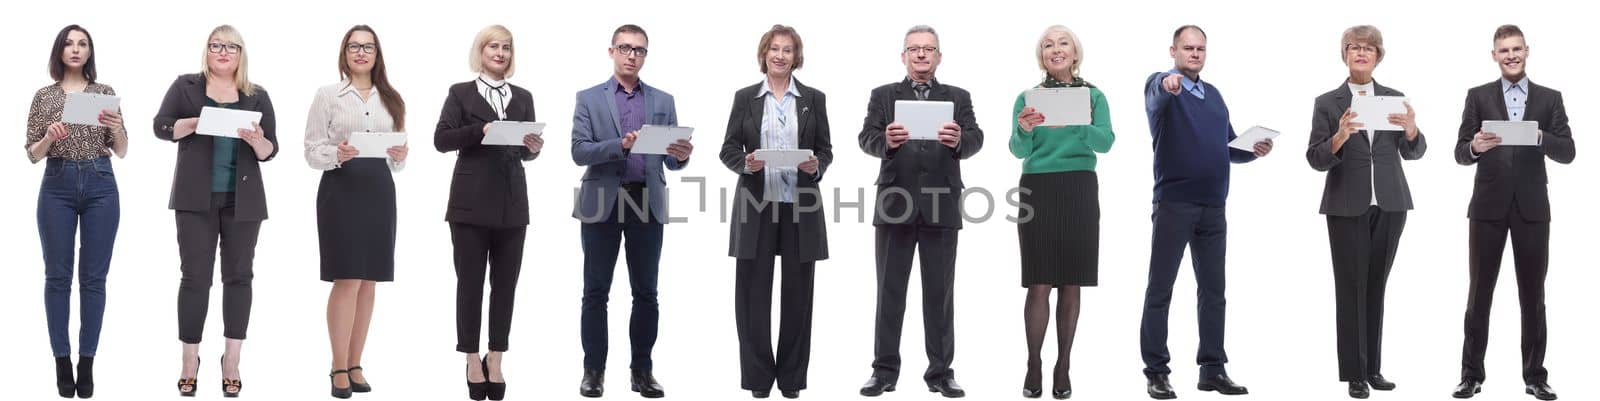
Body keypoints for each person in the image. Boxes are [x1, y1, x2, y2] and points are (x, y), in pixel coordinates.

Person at [1137, 25, 1271, 400]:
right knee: (1160, 289)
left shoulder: (1213, 95)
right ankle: (1156, 372)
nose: (1195, 54)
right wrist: (1168, 83)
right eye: (1188, 48)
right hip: (1174, 204)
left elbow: (1227, 144)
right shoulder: (1161, 85)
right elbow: (1156, 93)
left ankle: (1212, 368)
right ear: (1173, 51)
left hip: (1214, 206)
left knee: (1214, 291)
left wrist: (1252, 149)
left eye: (1200, 49)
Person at [856, 24, 983, 399]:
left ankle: (942, 373)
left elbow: (976, 137)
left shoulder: (958, 96)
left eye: (929, 49)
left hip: (941, 206)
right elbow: (866, 137)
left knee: (939, 294)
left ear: (939, 56)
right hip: (895, 205)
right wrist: (886, 143)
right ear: (904, 56)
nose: (922, 55)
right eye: (914, 49)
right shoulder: (883, 95)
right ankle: (883, 373)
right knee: (889, 292)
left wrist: (961, 140)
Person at [153, 24, 279, 398]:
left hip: (243, 201)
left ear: (241, 54)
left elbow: (271, 150)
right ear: (206, 51)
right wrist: (193, 123)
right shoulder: (185, 86)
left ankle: (232, 360)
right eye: (216, 46)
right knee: (194, 278)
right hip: (195, 199)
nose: (223, 52)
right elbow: (160, 127)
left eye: (231, 47)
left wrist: (258, 141)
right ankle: (190, 360)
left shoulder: (257, 95)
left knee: (239, 277)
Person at [1450, 24, 1573, 401]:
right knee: (1479, 294)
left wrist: (1540, 136)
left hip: (1533, 209)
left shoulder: (1550, 99)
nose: (1511, 55)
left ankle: (1535, 376)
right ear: (1494, 55)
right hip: (1487, 207)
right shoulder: (1478, 96)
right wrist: (1474, 146)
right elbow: (1459, 152)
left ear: (1527, 51)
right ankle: (1471, 375)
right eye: (1503, 50)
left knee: (1533, 296)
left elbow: (1567, 151)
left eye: (1516, 49)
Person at [1304, 25, 1426, 399]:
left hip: (1390, 203)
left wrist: (1411, 130)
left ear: (1378, 56)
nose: (1361, 53)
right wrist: (1339, 137)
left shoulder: (1394, 97)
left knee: (1376, 287)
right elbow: (1315, 157)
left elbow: (1415, 152)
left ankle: (1373, 368)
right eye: (1354, 47)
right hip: (1346, 206)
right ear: (1344, 54)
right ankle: (1354, 373)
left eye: (1368, 48)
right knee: (1350, 288)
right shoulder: (1328, 102)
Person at [572, 23, 694, 399]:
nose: (631, 55)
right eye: (625, 48)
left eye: (639, 50)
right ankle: (593, 371)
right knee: (596, 292)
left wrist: (681, 156)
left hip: (646, 201)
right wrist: (619, 146)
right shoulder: (589, 98)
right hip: (602, 202)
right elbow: (579, 151)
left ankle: (642, 370)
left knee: (646, 293)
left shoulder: (663, 100)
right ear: (611, 51)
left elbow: (671, 161)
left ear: (645, 55)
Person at [718, 24, 832, 400]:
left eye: (787, 50)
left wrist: (814, 166)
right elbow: (728, 148)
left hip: (801, 207)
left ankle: (791, 381)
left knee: (799, 297)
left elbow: (825, 150)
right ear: (764, 54)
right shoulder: (746, 98)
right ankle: (758, 380)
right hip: (757, 204)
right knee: (752, 295)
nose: (780, 55)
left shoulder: (814, 99)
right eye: (774, 49)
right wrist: (745, 163)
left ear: (796, 57)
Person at [433, 24, 544, 401]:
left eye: (507, 48)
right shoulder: (460, 93)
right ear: (480, 51)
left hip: (512, 203)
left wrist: (533, 146)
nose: (500, 53)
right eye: (494, 46)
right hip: (469, 202)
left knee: (506, 285)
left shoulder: (524, 96)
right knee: (470, 284)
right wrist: (481, 128)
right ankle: (470, 358)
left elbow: (526, 152)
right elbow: (441, 140)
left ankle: (496, 355)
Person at [304, 25, 410, 399]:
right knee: (346, 277)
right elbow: (311, 150)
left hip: (380, 190)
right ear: (344, 53)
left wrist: (400, 155)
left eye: (368, 47)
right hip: (341, 189)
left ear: (377, 54)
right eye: (354, 46)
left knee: (369, 281)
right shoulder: (328, 95)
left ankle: (356, 361)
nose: (361, 52)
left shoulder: (391, 98)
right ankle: (337, 365)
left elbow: (398, 154)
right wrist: (337, 153)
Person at [1009, 24, 1113, 400]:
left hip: (1079, 187)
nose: (1056, 49)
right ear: (1042, 56)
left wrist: (1079, 124)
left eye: (1063, 43)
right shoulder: (1028, 96)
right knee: (1039, 281)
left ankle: (1063, 363)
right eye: (1048, 45)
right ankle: (1034, 361)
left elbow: (1106, 142)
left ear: (1074, 52)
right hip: (1038, 188)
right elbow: (1018, 150)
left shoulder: (1093, 95)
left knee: (1071, 280)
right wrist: (1023, 129)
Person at [26, 24, 129, 399]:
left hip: (101, 182)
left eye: (82, 44)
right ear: (60, 51)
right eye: (69, 43)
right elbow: (31, 154)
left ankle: (87, 362)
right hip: (57, 183)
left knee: (94, 279)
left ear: (89, 52)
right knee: (57, 277)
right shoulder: (44, 96)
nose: (75, 49)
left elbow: (121, 150)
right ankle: (62, 360)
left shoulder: (104, 93)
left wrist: (117, 127)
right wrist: (49, 138)